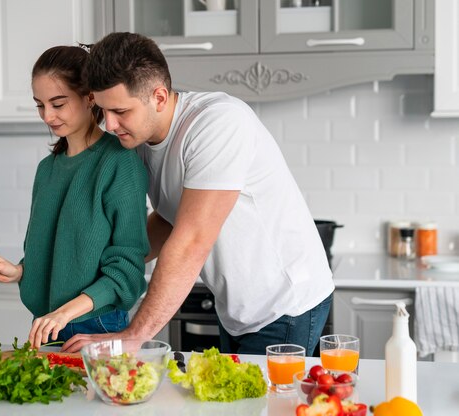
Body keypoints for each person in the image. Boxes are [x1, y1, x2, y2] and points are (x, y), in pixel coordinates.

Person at [62, 33, 335, 355]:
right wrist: (98, 269)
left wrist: (134, 334)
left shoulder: (217, 123)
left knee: (264, 406)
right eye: (104, 111)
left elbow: (192, 240)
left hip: (285, 304)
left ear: (159, 97)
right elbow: (168, 219)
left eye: (121, 111)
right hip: (236, 307)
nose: (110, 124)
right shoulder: (140, 139)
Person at [0, 45, 150, 348]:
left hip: (97, 324)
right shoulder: (47, 169)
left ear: (89, 97)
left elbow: (127, 269)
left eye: (58, 103)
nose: (47, 116)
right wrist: (16, 271)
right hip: (47, 325)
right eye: (40, 105)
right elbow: (57, 255)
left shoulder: (120, 162)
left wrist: (64, 314)